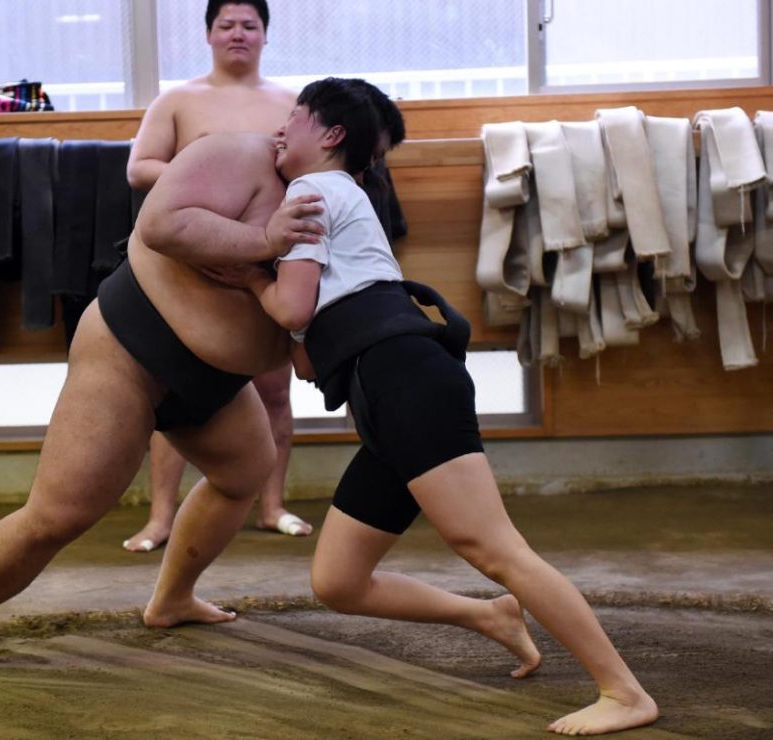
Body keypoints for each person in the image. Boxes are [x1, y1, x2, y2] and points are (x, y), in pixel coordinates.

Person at [230, 77, 660, 736]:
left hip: (405, 379)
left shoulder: (310, 191)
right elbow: (308, 354)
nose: (280, 128)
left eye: (294, 116)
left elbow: (288, 306)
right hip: (383, 393)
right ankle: (489, 615)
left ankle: (622, 690)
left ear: (331, 134)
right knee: (338, 580)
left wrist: (250, 270)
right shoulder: (336, 201)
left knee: (490, 546)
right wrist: (276, 287)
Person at [0, 125, 327, 684]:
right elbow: (162, 223)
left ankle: (171, 600)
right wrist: (262, 245)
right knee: (57, 515)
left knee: (244, 472)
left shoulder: (333, 205)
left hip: (215, 381)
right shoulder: (237, 151)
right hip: (130, 348)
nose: (283, 127)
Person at [122, 0, 311, 552]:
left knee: (275, 388)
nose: (237, 33)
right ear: (208, 34)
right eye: (226, 24)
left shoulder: (292, 103)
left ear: (264, 36)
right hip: (193, 260)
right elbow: (140, 168)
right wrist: (214, 179)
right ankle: (161, 518)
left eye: (249, 25)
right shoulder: (178, 99)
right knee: (178, 390)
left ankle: (271, 505)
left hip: (267, 258)